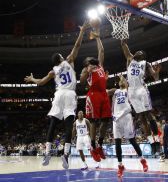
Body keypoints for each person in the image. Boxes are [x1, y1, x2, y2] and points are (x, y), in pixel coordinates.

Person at [24, 22, 89, 169]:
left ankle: (47, 153)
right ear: (60, 57)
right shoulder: (69, 60)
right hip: (70, 94)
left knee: (53, 124)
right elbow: (77, 46)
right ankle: (65, 155)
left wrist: (32, 79)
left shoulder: (53, 71)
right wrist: (82, 31)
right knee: (68, 127)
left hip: (58, 95)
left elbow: (40, 82)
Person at [120, 40, 161, 146]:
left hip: (141, 89)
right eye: (137, 52)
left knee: (148, 114)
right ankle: (152, 142)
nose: (137, 52)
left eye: (140, 52)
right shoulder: (130, 58)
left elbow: (156, 78)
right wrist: (123, 39)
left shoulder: (146, 63)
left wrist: (157, 72)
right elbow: (123, 46)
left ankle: (156, 138)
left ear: (143, 56)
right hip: (131, 91)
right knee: (141, 117)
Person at [80, 27, 111, 162]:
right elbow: (81, 81)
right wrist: (87, 71)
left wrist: (98, 37)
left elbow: (102, 51)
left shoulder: (100, 66)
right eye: (88, 61)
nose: (90, 60)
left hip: (103, 94)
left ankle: (100, 145)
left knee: (105, 121)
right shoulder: (87, 69)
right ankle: (92, 147)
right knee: (93, 122)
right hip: (93, 96)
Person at [111, 75, 148, 178]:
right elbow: (107, 94)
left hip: (126, 116)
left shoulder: (128, 90)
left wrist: (124, 77)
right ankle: (120, 166)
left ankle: (143, 160)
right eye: (120, 81)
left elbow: (131, 85)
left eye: (123, 80)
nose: (121, 81)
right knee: (117, 143)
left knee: (132, 141)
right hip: (116, 119)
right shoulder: (115, 91)